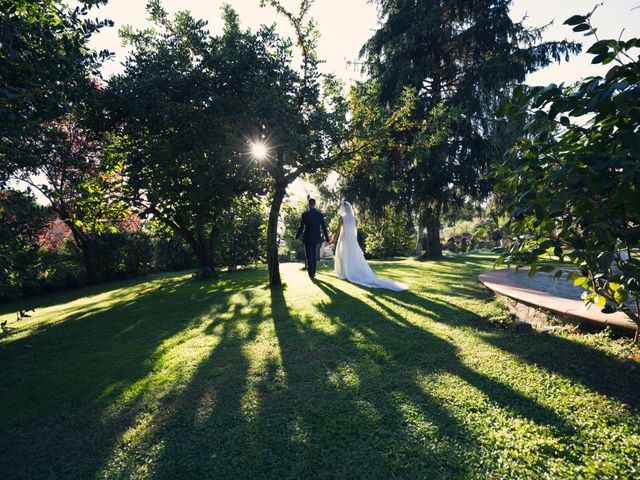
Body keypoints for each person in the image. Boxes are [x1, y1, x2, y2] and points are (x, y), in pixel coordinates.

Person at [332, 201, 408, 291]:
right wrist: (353, 240)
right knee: (351, 256)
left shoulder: (341, 218)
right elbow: (354, 231)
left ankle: (344, 273)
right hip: (352, 240)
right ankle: (347, 272)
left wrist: (334, 240)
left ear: (343, 208)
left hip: (344, 239)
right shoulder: (354, 219)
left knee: (343, 255)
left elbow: (338, 230)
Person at [296, 198, 330, 279]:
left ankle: (311, 274)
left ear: (309, 205)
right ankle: (313, 273)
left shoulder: (305, 215)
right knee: (314, 256)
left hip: (307, 238)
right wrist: (327, 239)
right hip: (316, 238)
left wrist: (297, 236)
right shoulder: (320, 215)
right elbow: (324, 228)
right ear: (315, 204)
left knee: (309, 256)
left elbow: (301, 227)